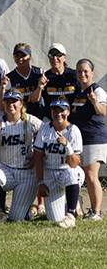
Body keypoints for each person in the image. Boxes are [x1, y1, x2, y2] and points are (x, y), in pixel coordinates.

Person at [0, 89, 42, 223]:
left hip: (26, 173)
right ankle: (0, 212)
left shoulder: (31, 121)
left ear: (21, 104)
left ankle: (27, 210)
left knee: (16, 218)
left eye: (14, 102)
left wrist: (36, 157)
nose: (11, 105)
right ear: (3, 104)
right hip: (5, 169)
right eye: (7, 102)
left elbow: (46, 135)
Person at [33, 97, 83, 228]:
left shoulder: (73, 131)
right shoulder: (44, 129)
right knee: (54, 218)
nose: (58, 114)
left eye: (62, 111)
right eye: (55, 110)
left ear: (68, 112)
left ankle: (71, 214)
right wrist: (40, 182)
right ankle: (72, 202)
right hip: (50, 172)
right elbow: (37, 157)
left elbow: (74, 163)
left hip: (67, 170)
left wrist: (67, 145)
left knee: (72, 173)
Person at [70, 59, 107, 221]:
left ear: (92, 73)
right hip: (80, 139)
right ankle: (82, 207)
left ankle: (96, 211)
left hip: (94, 138)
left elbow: (102, 111)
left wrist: (94, 102)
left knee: (92, 175)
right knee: (82, 174)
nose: (82, 74)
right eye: (79, 71)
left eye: (86, 71)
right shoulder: (79, 92)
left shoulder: (97, 91)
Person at [29, 43, 77, 122]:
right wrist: (39, 87)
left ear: (65, 57)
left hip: (70, 120)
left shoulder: (73, 75)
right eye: (51, 55)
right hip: (51, 120)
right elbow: (34, 100)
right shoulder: (44, 77)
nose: (55, 58)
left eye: (58, 55)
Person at [2, 43, 44, 120]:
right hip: (19, 119)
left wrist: (39, 87)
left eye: (23, 56)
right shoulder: (9, 78)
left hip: (38, 116)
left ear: (30, 57)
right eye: (17, 56)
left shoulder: (39, 73)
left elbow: (35, 100)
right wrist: (3, 88)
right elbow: (2, 105)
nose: (20, 59)